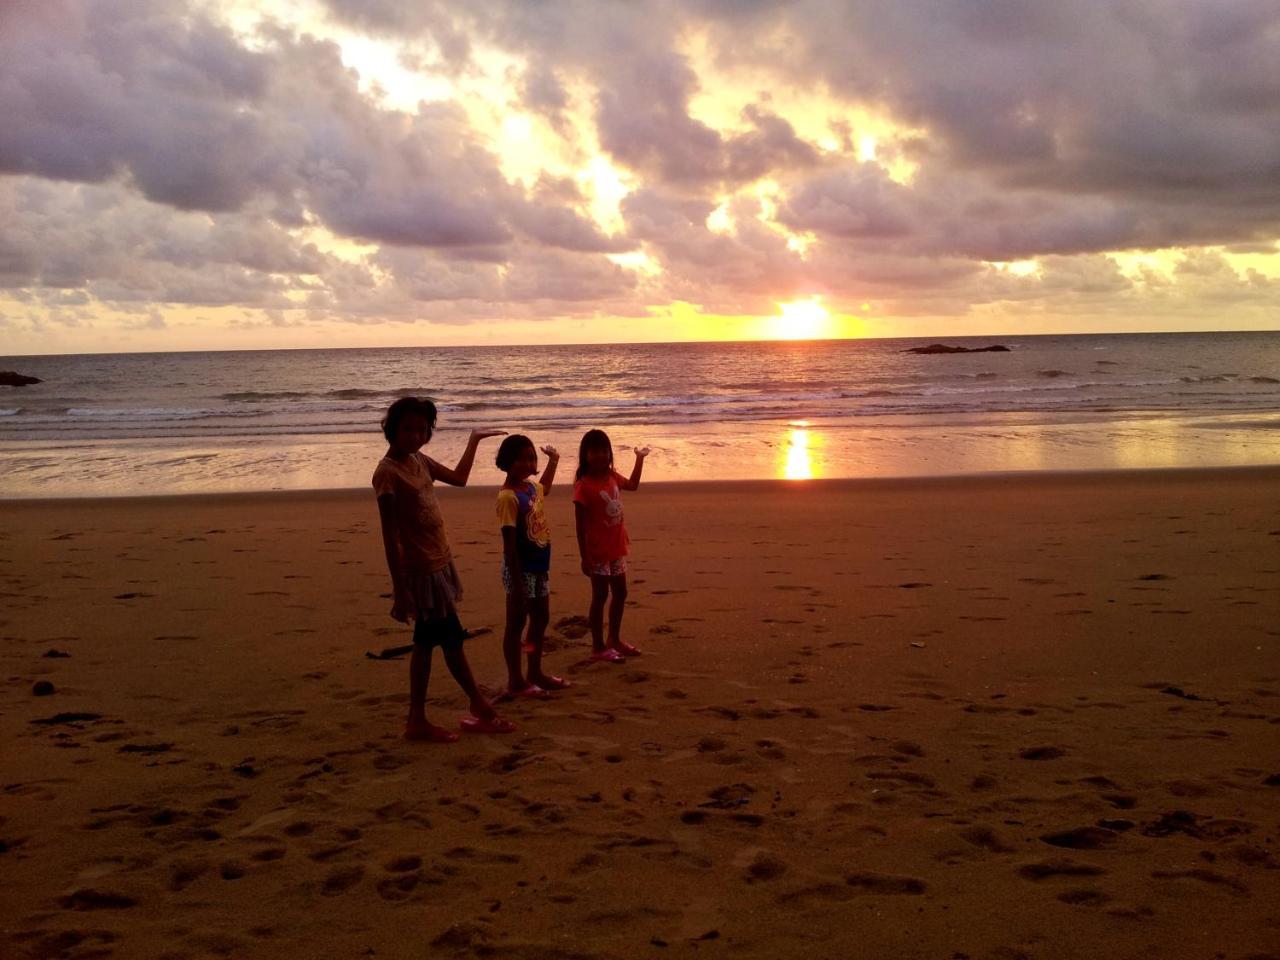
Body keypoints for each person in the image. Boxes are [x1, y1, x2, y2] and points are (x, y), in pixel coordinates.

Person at [373, 397, 515, 740]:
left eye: (422, 430)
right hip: (420, 571)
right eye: (408, 429)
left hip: (440, 562)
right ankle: (477, 708)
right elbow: (389, 537)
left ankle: (418, 719)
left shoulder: (419, 460)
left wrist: (474, 440)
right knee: (449, 638)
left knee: (428, 642)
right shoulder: (386, 474)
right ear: (392, 429)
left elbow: (461, 478)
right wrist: (400, 589)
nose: (415, 435)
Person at [495, 434, 570, 699]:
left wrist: (554, 460)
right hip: (521, 569)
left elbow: (545, 487)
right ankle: (516, 680)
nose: (527, 463)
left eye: (531, 458)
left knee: (541, 618)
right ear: (506, 462)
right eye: (521, 459)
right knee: (516, 624)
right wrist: (517, 585)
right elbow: (509, 546)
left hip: (540, 566)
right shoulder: (507, 497)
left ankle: (534, 671)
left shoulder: (530, 489)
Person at [573, 429, 649, 662]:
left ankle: (613, 639)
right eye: (594, 451)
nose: (600, 456)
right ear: (585, 455)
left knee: (621, 592)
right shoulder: (583, 486)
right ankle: (598, 646)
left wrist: (639, 459)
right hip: (597, 552)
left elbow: (634, 485)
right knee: (600, 596)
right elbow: (579, 526)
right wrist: (584, 557)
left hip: (617, 547)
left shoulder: (612, 476)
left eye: (604, 451)